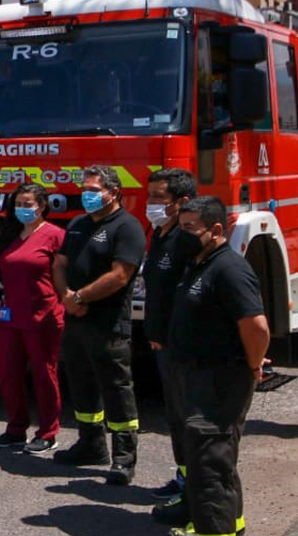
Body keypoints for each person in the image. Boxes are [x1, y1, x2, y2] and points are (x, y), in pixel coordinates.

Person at [167, 196, 269, 536]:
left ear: (215, 229)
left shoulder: (229, 269)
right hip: (195, 375)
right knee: (212, 462)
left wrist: (254, 364)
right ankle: (231, 527)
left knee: (210, 465)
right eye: (180, 227)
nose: (182, 235)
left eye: (189, 228)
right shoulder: (198, 262)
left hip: (220, 378)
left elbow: (256, 327)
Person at [52, 165, 146, 485]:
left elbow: (121, 274)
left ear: (114, 192)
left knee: (116, 389)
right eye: (85, 189)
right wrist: (66, 296)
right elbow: (60, 263)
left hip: (107, 322)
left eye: (94, 189)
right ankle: (91, 445)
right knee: (81, 384)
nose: (87, 194)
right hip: (75, 320)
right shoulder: (78, 225)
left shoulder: (127, 227)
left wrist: (79, 297)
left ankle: (123, 456)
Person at [140, 169, 198, 524]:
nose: (152, 204)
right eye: (151, 197)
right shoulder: (160, 234)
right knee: (176, 420)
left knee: (190, 420)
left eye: (159, 198)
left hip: (182, 347)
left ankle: (194, 493)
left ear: (182, 202)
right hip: (162, 344)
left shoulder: (187, 240)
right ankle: (184, 479)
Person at [0, 183, 65, 454]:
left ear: (42, 206)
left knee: (44, 375)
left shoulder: (55, 236)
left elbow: (63, 277)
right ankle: (15, 428)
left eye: (28, 204)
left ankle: (48, 431)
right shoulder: (10, 234)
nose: (23, 209)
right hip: (10, 316)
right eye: (19, 204)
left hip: (43, 316)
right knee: (8, 374)